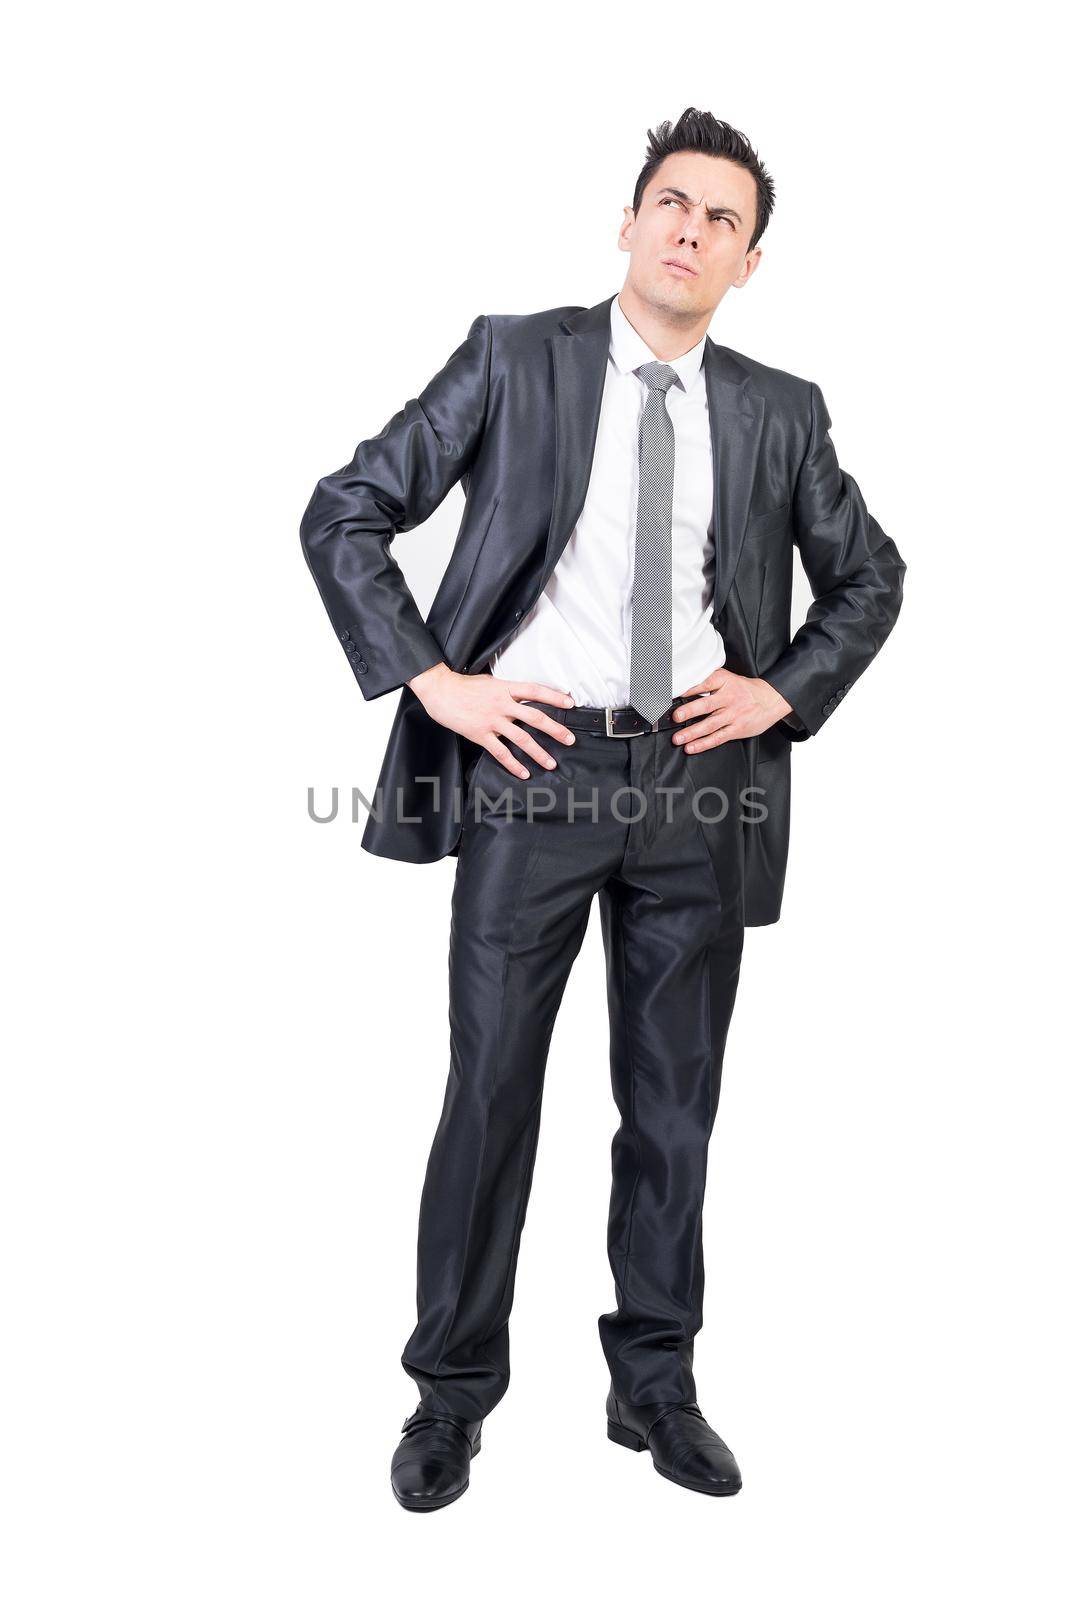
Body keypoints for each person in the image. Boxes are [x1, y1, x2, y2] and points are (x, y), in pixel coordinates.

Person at [299, 106, 905, 1510]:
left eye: (724, 222)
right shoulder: (517, 359)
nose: (692, 232)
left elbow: (870, 573)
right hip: (533, 772)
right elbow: (347, 508)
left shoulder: (780, 411)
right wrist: (438, 682)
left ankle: (656, 1387)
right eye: (673, 205)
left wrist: (784, 692)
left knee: (673, 1109)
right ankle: (449, 1399)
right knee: (491, 1094)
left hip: (700, 782)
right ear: (628, 221)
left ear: (749, 263)